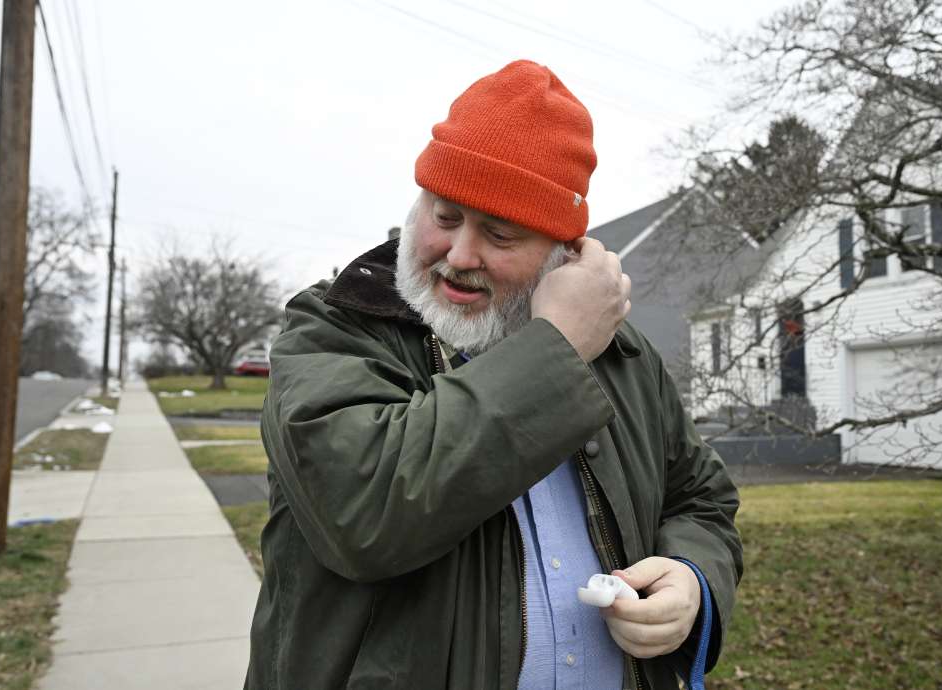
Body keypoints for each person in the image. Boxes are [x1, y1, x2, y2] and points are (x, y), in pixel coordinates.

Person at [245, 59, 742, 690]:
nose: (458, 255)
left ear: (563, 255)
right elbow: (363, 514)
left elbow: (702, 499)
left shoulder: (624, 356)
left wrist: (691, 577)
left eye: (499, 234)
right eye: (445, 215)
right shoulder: (333, 328)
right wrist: (557, 348)